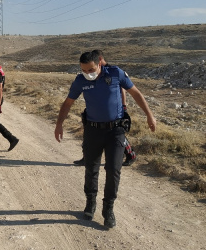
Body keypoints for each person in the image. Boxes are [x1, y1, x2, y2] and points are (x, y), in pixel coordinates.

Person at [54, 51, 156, 228]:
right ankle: (90, 202)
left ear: (99, 64)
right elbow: (68, 102)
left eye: (91, 69)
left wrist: (149, 115)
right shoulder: (80, 81)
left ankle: (108, 208)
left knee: (113, 169)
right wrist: (59, 124)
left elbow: (135, 92)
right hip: (93, 131)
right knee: (91, 168)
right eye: (84, 70)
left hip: (115, 131)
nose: (88, 74)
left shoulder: (115, 74)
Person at [73, 50, 137, 166]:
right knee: (89, 132)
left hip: (116, 111)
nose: (89, 71)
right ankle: (86, 156)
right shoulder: (93, 74)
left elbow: (122, 90)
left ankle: (130, 154)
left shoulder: (113, 72)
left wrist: (123, 106)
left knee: (118, 134)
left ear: (100, 60)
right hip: (95, 113)